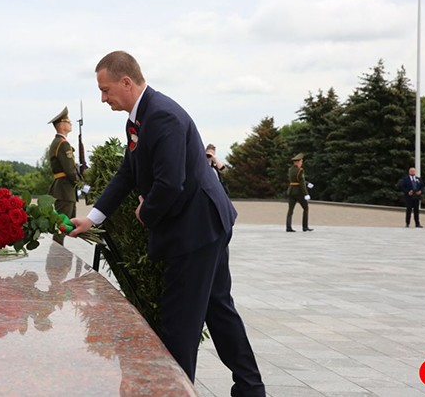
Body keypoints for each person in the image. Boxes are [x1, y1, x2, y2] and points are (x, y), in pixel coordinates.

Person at [69, 51, 265, 395]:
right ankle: (251, 388)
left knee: (180, 324)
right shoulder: (140, 117)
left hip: (196, 228)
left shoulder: (162, 116)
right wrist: (93, 218)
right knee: (218, 309)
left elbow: (170, 183)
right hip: (204, 222)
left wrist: (146, 212)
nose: (103, 98)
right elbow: (129, 172)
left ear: (126, 82)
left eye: (106, 89)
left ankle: (174, 391)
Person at [48, 106, 80, 245]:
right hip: (65, 189)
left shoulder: (59, 143)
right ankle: (56, 257)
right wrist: (81, 184)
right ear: (61, 125)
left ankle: (59, 255)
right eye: (68, 121)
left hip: (65, 189)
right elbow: (69, 170)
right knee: (61, 226)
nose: (71, 123)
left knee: (66, 225)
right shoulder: (62, 144)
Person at [286, 153, 313, 232]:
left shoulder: (290, 169)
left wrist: (307, 183)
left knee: (290, 210)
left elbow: (296, 180)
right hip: (298, 192)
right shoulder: (300, 170)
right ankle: (305, 227)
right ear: (297, 162)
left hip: (291, 191)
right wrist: (306, 194)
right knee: (306, 208)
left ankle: (288, 227)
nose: (301, 163)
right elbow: (301, 183)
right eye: (301, 161)